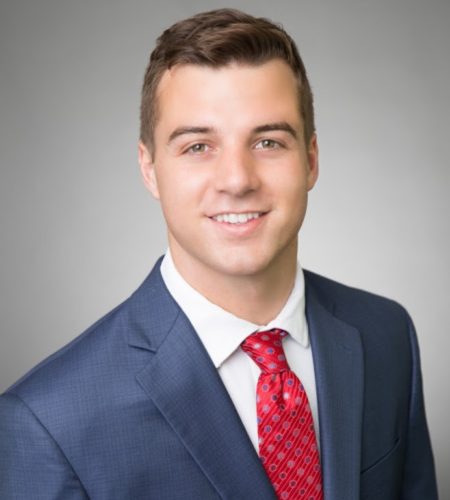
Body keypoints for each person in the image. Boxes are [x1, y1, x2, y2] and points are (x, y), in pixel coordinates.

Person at [0, 8, 438, 500]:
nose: (237, 179)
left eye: (268, 141)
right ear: (149, 168)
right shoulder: (48, 424)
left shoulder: (386, 336)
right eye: (197, 147)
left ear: (311, 160)